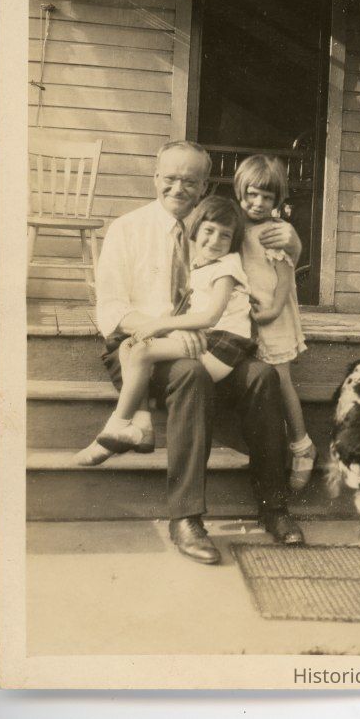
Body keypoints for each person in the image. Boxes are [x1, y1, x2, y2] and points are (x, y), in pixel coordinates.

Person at [76, 141, 305, 565]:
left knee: (262, 375)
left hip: (207, 343)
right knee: (190, 374)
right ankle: (186, 517)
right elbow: (111, 311)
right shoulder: (127, 229)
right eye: (170, 178)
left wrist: (293, 243)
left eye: (190, 181)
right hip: (142, 347)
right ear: (155, 178)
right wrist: (170, 328)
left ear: (204, 186)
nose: (178, 188)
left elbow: (272, 251)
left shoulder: (221, 227)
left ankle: (274, 506)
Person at [93, 196, 256, 455]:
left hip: (223, 346)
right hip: (209, 339)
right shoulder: (204, 263)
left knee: (142, 351)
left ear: (233, 241)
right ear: (196, 230)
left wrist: (162, 325)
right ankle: (143, 426)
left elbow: (211, 317)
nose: (215, 241)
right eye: (209, 231)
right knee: (127, 346)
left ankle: (119, 424)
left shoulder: (227, 269)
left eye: (225, 236)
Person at [234, 154, 317, 491]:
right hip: (244, 316)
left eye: (266, 197)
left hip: (272, 315)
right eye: (252, 194)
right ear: (240, 191)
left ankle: (302, 444)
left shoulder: (273, 232)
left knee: (281, 380)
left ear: (277, 200)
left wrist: (272, 312)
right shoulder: (234, 225)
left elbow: (285, 279)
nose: (258, 203)